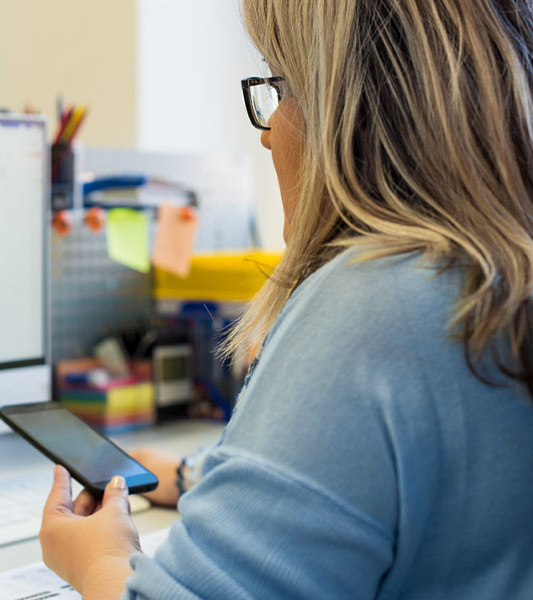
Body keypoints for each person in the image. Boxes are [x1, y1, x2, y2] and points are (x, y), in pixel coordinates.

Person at [39, 0, 533, 597]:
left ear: (348, 109)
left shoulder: (377, 300)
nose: (269, 133)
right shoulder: (495, 279)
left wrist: (99, 557)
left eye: (281, 85)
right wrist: (199, 475)